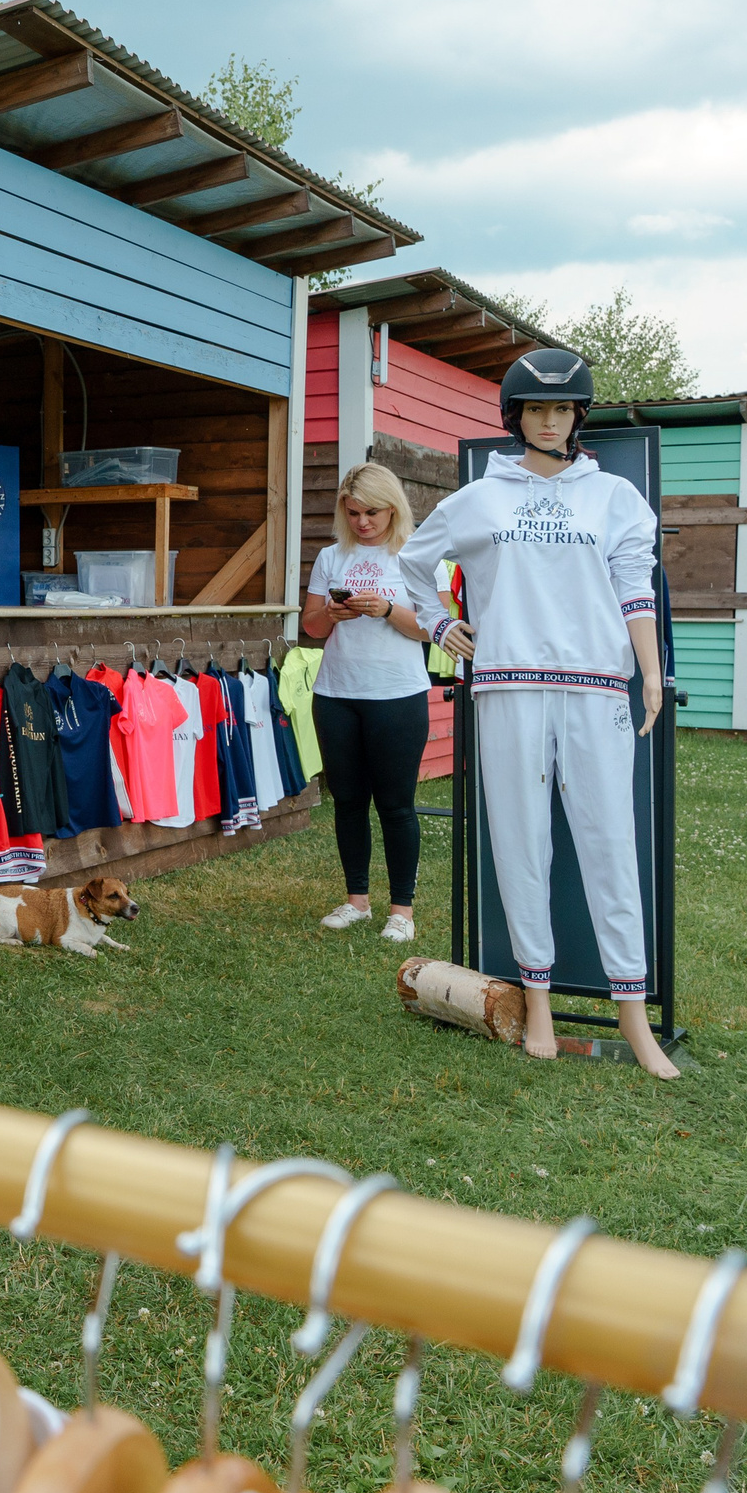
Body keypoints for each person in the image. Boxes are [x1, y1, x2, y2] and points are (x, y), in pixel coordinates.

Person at [399, 348, 678, 1079]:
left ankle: (635, 1017)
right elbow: (411, 563)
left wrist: (650, 674)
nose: (550, 420)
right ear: (514, 417)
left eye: (562, 408)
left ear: (579, 415)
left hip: (594, 689)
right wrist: (438, 623)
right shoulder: (476, 501)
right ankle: (540, 1004)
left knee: (611, 845)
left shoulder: (615, 497)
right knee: (520, 845)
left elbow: (634, 593)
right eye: (536, 409)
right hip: (509, 685)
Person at [300, 462, 431, 945]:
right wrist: (332, 613)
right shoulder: (332, 557)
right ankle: (357, 900)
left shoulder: (417, 556)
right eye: (352, 513)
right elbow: (311, 628)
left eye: (372, 512)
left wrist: (388, 610)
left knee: (396, 806)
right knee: (349, 802)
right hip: (336, 693)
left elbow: (431, 627)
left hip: (397, 695)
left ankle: (402, 911)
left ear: (393, 508)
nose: (362, 523)